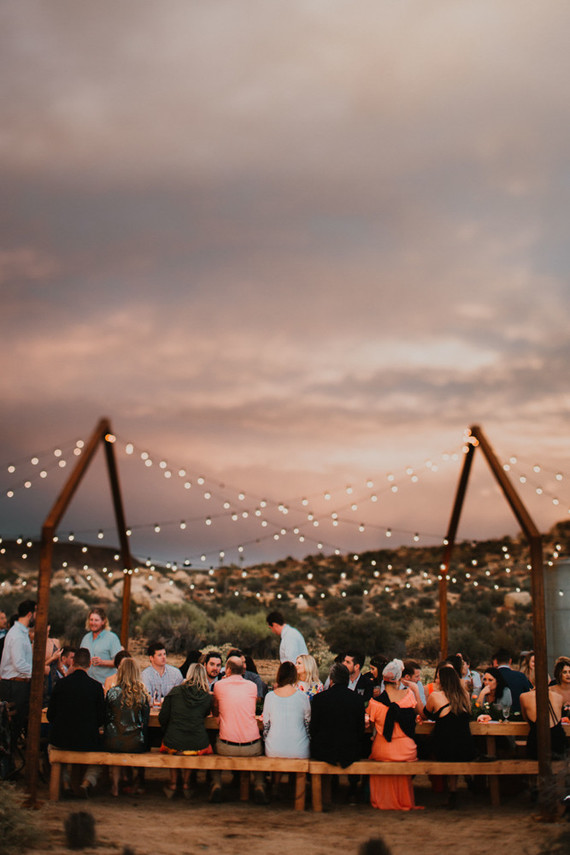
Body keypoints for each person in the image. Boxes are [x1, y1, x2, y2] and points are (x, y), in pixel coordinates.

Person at [47, 647, 105, 797]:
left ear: (73, 662)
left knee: (51, 749)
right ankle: (86, 783)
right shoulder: (96, 687)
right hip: (87, 740)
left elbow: (50, 715)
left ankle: (65, 783)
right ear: (89, 665)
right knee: (102, 754)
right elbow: (101, 719)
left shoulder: (61, 684)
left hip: (61, 739)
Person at [367, 658, 423, 811]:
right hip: (406, 750)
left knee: (376, 753)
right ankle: (402, 799)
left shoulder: (375, 703)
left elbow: (371, 725)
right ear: (399, 679)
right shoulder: (409, 696)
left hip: (383, 748)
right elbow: (420, 713)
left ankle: (383, 800)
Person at [211, 655, 268, 804]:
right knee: (260, 750)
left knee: (214, 745)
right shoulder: (252, 686)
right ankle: (259, 785)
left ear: (227, 670)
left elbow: (216, 709)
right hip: (251, 746)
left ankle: (216, 783)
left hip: (227, 746)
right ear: (243, 670)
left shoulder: (219, 686)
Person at [159, 662, 213, 798]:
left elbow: (163, 717)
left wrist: (168, 730)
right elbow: (205, 714)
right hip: (197, 742)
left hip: (173, 740)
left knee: (173, 745)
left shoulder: (175, 691)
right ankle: (186, 783)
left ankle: (172, 783)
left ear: (188, 674)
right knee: (190, 748)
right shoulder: (207, 697)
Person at [424, 664, 475, 807]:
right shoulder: (465, 695)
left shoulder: (435, 696)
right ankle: (453, 790)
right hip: (466, 747)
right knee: (454, 749)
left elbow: (426, 713)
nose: (437, 681)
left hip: (443, 748)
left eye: (439, 678)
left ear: (444, 680)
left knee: (428, 747)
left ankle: (448, 790)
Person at [104, 658, 150, 796]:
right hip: (135, 742)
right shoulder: (142, 694)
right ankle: (136, 781)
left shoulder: (112, 692)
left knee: (117, 744)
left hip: (113, 741)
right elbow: (146, 721)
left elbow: (106, 717)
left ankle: (115, 786)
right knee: (141, 741)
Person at [309, 663, 365, 768]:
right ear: (347, 680)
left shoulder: (319, 699)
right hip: (350, 752)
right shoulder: (357, 699)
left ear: (331, 680)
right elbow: (360, 730)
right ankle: (354, 783)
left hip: (324, 751)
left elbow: (313, 729)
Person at [0, 599, 36, 742]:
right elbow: (19, 664)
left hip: (17, 684)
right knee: (12, 726)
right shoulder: (17, 635)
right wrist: (38, 672)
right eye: (36, 613)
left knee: (15, 725)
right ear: (29, 614)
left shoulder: (21, 633)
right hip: (15, 685)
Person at [263, 661, 311, 759]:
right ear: (294, 676)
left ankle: (276, 775)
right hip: (300, 748)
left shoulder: (269, 697)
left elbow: (266, 725)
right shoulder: (303, 697)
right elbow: (307, 723)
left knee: (276, 768)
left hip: (274, 748)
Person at [520, 683, 566, 759]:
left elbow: (525, 717)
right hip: (557, 742)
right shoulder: (559, 697)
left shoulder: (524, 696)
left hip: (536, 743)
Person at [80, 607, 122, 685]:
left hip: (105, 684)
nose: (93, 623)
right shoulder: (85, 638)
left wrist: (102, 662)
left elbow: (120, 662)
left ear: (103, 621)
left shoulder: (112, 638)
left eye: (96, 620)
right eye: (91, 620)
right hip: (87, 684)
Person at [492, 647, 532, 713]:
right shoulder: (521, 676)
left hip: (496, 715)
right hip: (519, 716)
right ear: (510, 661)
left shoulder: (491, 676)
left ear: (496, 661)